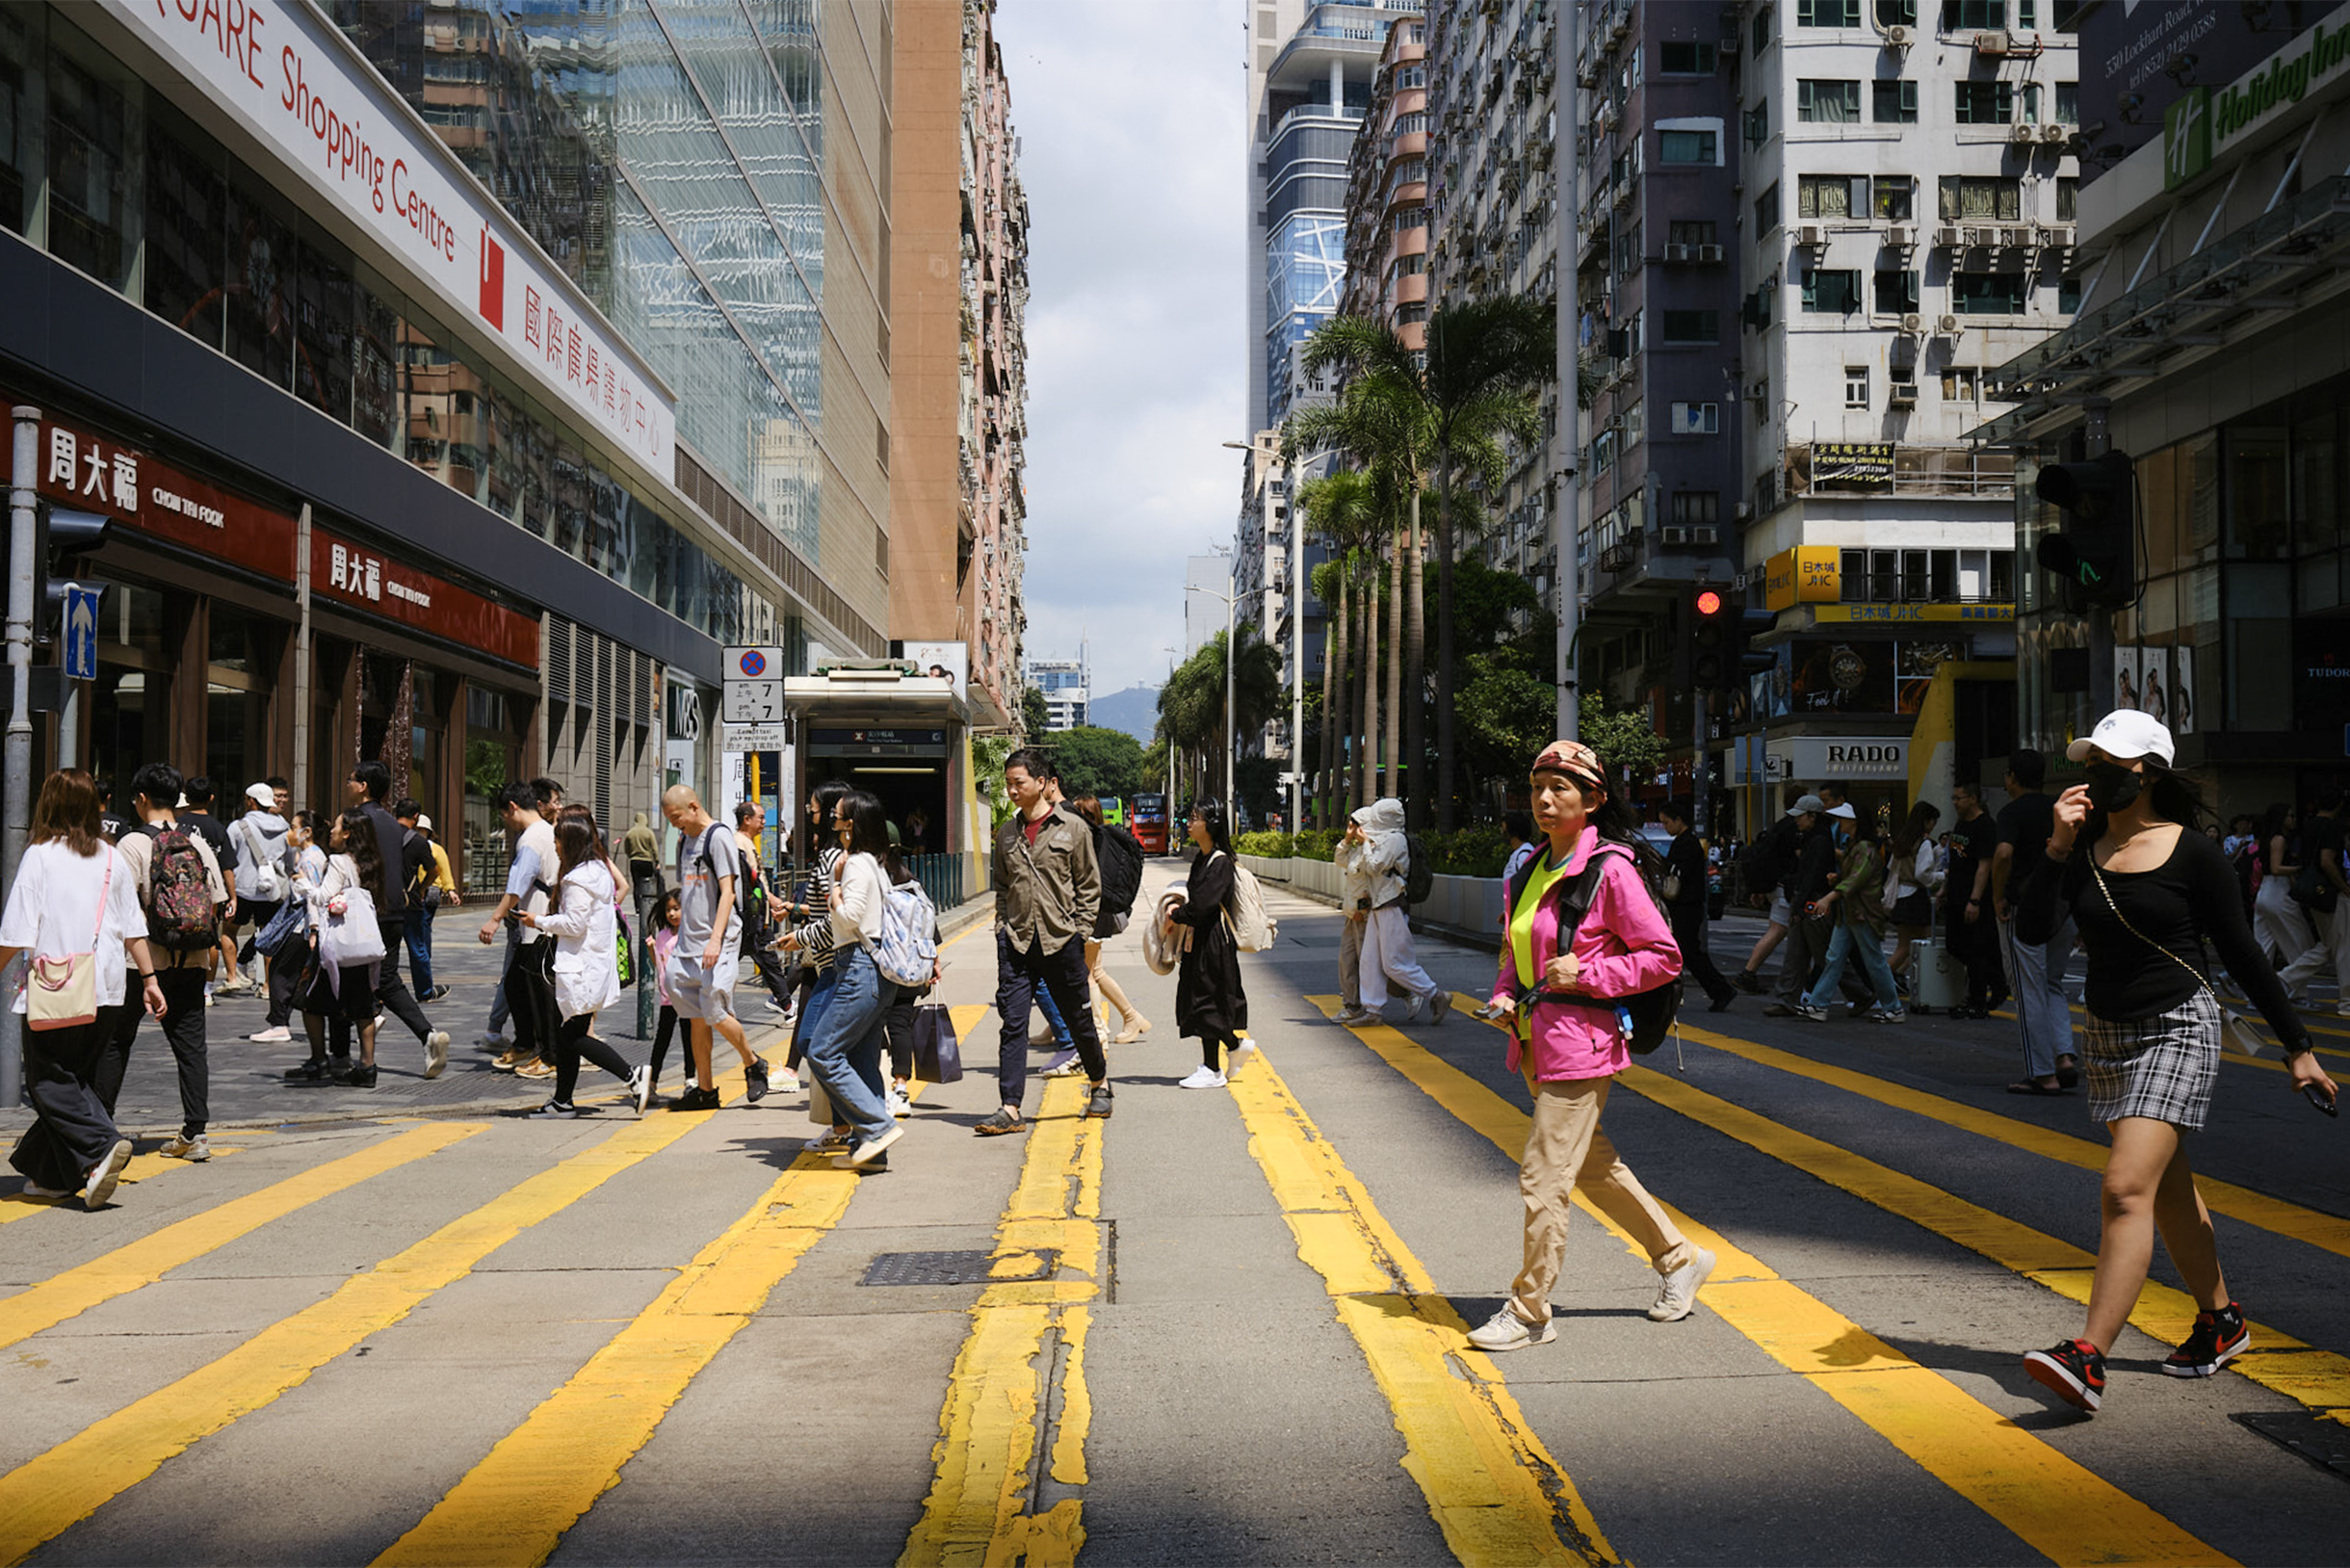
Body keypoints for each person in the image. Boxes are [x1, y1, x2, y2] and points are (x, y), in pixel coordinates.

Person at [2017, 710, 2337, 1415]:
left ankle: (2088, 1357)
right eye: (2090, 762)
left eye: (2112, 766)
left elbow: (2245, 955)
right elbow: (2034, 930)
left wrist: (2299, 1050)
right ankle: (2221, 1322)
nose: (2095, 776)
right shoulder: (2084, 846)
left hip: (2177, 1026)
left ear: (2150, 774)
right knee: (2163, 1189)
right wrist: (2058, 847)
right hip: (2106, 1030)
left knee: (2126, 1187)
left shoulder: (2193, 853)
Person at [1466, 739, 1714, 1352]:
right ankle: (1680, 1259)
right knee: (1595, 1168)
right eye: (1537, 788)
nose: (1544, 800)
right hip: (1534, 1040)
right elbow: (1514, 948)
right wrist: (1505, 996)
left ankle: (1529, 1310)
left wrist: (1591, 976)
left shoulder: (1612, 869)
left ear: (1593, 801)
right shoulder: (1529, 869)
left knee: (1543, 1175)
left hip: (1582, 1043)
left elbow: (1663, 958)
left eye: (1561, 789)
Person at [2, 770, 165, 1207]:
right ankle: (51, 1176)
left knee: (48, 1082)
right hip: (108, 986)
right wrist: (149, 980)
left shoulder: (40, 855)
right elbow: (134, 927)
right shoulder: (110, 856)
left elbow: (16, 931)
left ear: (49, 804)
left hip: (55, 986)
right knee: (76, 1081)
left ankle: (101, 1145)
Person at [977, 747, 1112, 1137]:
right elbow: (1002, 885)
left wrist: (1080, 931)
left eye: (1018, 783)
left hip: (1061, 941)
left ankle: (1100, 1084)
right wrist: (1003, 926)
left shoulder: (1072, 828)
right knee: (1012, 1024)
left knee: (1078, 1020)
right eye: (1008, 784)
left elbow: (1089, 885)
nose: (1012, 791)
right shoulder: (1006, 833)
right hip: (1017, 943)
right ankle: (1010, 1107)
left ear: (1041, 782)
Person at [105, 763, 228, 1158]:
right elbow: (218, 904)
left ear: (141, 799)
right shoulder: (197, 843)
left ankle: (101, 1131)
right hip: (190, 959)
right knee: (192, 1047)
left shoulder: (131, 845)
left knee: (115, 1042)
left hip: (141, 965)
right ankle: (195, 1135)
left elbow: (118, 908)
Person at [797, 790, 911, 1168]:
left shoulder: (857, 865)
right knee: (863, 1063)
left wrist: (834, 887)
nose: (833, 820)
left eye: (838, 816)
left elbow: (849, 919)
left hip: (859, 968)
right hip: (873, 971)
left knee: (823, 1052)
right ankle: (873, 1152)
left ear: (852, 824)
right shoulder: (874, 864)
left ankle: (877, 1127)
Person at [521, 815, 651, 1117]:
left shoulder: (577, 879)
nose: (554, 846)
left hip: (581, 966)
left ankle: (632, 1076)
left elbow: (574, 923)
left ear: (570, 843)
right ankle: (562, 1101)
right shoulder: (598, 871)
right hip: (593, 964)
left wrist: (536, 920)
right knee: (570, 1031)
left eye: (557, 840)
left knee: (572, 1036)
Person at [661, 784, 768, 1111]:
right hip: (689, 943)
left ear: (694, 806)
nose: (673, 823)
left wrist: (716, 940)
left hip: (717, 940)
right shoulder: (684, 840)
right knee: (693, 1014)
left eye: (676, 816)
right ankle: (706, 1091)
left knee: (716, 1011)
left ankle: (753, 1062)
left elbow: (728, 893)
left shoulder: (717, 836)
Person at [346, 762, 452, 1080]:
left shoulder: (358, 820)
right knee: (388, 979)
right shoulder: (395, 826)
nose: (347, 783)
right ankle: (427, 1036)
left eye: (351, 780)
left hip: (364, 912)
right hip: (394, 912)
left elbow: (350, 865)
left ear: (363, 786)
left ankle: (351, 1060)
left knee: (349, 979)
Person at [1994, 749, 2077, 1094]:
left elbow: (2003, 853)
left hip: (2024, 908)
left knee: (2028, 990)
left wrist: (1999, 896)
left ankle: (2043, 1073)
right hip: (2062, 908)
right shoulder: (2058, 808)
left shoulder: (2011, 812)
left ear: (2012, 776)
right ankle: (2064, 1056)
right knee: (2053, 983)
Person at [301, 809, 393, 1086]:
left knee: (309, 1001)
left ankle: (319, 1060)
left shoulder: (339, 862)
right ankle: (367, 1067)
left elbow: (323, 896)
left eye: (337, 826)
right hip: (363, 944)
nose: (331, 830)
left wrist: (302, 883)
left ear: (348, 833)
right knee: (364, 1007)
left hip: (339, 948)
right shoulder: (372, 863)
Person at [477, 782, 561, 1082]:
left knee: (536, 992)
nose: (507, 823)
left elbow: (518, 884)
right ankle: (529, 1045)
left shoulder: (530, 840)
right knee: (519, 985)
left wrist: (495, 918)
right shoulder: (549, 831)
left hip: (534, 925)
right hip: (541, 922)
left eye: (504, 816)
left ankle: (547, 1053)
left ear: (512, 807)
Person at [1340, 797, 1449, 1025]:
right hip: (1380, 906)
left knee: (1394, 963)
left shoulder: (1395, 840)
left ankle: (1436, 995)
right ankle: (1373, 1010)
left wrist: (1368, 843)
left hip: (1392, 904)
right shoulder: (1383, 839)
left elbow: (1374, 866)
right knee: (1369, 961)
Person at [1794, 802, 1905, 1024]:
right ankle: (1819, 1004)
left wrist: (1829, 896)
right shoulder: (1861, 846)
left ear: (1854, 822)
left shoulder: (1862, 847)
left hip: (1859, 912)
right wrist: (1837, 883)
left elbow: (1854, 881)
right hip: (1854, 912)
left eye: (1842, 819)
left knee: (1860, 960)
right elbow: (1856, 879)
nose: (1839, 823)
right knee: (1839, 958)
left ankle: (1892, 1007)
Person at [1167, 800, 1253, 1087]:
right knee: (1201, 997)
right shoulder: (1203, 858)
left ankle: (1213, 1067)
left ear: (1211, 824)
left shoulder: (1220, 863)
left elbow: (1203, 906)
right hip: (1201, 937)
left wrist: (1176, 914)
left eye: (1195, 818)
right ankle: (1229, 1050)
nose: (1188, 824)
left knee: (1208, 999)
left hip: (1213, 940)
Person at [1068, 794, 1152, 1045]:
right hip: (1099, 913)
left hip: (1092, 914)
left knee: (1087, 974)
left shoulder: (1091, 841)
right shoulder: (1102, 838)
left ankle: (1098, 1030)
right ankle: (1131, 1017)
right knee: (1095, 971)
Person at [2274, 790, 2350, 1011]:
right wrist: (2344, 887)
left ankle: (2284, 978)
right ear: (2338, 806)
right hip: (2331, 892)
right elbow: (2327, 861)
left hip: (2312, 892)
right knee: (2343, 946)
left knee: (2328, 945)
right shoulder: (2333, 827)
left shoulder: (2309, 825)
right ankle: (2346, 1001)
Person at [1734, 797, 1817, 993]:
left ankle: (1807, 979)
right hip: (1785, 887)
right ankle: (1748, 972)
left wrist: (1759, 889)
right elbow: (1799, 858)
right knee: (1779, 931)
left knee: (1796, 935)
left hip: (1775, 886)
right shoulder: (1794, 830)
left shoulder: (1779, 826)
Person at [1658, 800, 1735, 1012]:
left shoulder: (1687, 843)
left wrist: (1660, 861)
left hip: (1686, 906)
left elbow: (1679, 871)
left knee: (1688, 952)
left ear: (1678, 820)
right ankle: (1719, 990)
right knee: (1687, 952)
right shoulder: (1685, 841)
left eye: (1666, 823)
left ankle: (1720, 990)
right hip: (1685, 905)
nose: (1665, 827)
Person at [173, 775, 243, 999]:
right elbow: (227, 867)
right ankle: (207, 989)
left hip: (180, 888)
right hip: (209, 891)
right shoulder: (217, 828)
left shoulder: (179, 826)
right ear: (211, 798)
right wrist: (232, 897)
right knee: (210, 937)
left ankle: (178, 980)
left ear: (186, 797)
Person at [229, 782, 292, 1021]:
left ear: (250, 801)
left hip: (243, 888)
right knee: (271, 939)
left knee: (229, 931)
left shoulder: (238, 826)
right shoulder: (285, 826)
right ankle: (268, 987)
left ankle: (233, 975)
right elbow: (290, 858)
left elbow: (229, 856)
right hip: (272, 891)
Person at [1944, 780, 2005, 1018]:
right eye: (1954, 798)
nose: (1955, 803)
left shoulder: (1986, 826)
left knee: (1974, 950)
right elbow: (1955, 862)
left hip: (1974, 896)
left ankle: (1977, 1000)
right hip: (1956, 895)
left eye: (1959, 798)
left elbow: (1984, 866)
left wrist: (1975, 900)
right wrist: (1945, 890)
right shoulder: (1960, 824)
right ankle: (1997, 979)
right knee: (1954, 945)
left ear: (1973, 798)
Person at [733, 800, 794, 1015]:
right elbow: (752, 885)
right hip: (752, 918)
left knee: (767, 960)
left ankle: (785, 1003)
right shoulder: (739, 844)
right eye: (760, 818)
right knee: (767, 960)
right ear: (746, 820)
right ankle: (786, 1004)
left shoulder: (746, 842)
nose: (764, 823)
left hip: (756, 917)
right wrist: (774, 902)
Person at [394, 799, 457, 1003]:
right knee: (418, 948)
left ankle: (381, 991)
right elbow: (434, 871)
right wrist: (420, 889)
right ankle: (424, 991)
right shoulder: (419, 842)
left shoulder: (385, 835)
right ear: (415, 817)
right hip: (410, 901)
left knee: (385, 949)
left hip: (385, 901)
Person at [1883, 801, 1944, 1002]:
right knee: (1909, 947)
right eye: (1933, 821)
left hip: (1901, 895)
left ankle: (1892, 979)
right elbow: (1922, 875)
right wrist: (1941, 876)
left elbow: (1892, 867)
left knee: (1913, 944)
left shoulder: (1902, 840)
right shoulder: (1924, 843)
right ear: (1926, 821)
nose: (1933, 825)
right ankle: (1878, 983)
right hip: (1915, 897)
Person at [2251, 803, 2314, 986]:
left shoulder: (2266, 838)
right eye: (2290, 816)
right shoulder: (2279, 838)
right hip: (2278, 892)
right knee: (2299, 943)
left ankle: (2253, 993)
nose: (2293, 819)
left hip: (2264, 892)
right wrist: (2299, 869)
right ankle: (2297, 992)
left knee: (2263, 946)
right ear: (2281, 818)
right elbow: (2276, 868)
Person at [642, 890, 686, 1104]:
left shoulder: (689, 934)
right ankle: (651, 1083)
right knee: (662, 1040)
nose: (672, 914)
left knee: (689, 1038)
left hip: (686, 995)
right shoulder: (663, 935)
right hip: (668, 996)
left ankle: (691, 1080)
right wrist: (651, 949)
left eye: (676, 909)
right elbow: (657, 962)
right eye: (669, 910)